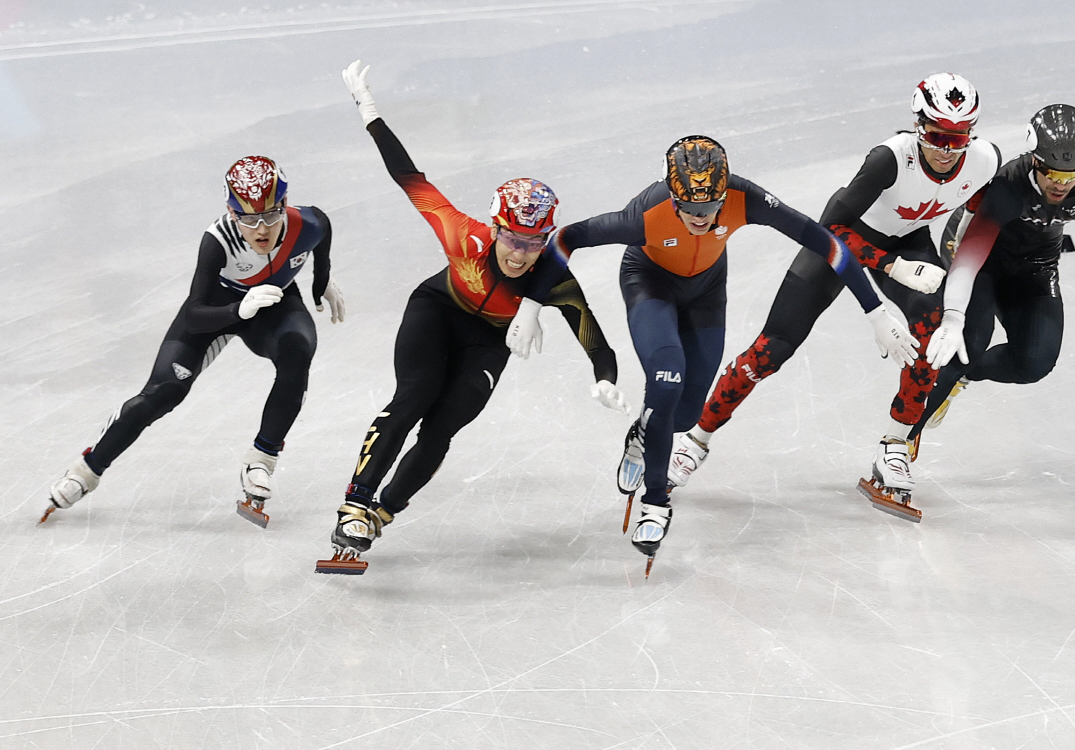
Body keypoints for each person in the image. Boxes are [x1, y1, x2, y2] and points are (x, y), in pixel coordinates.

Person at [506, 135, 917, 567]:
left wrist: (876, 312)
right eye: (689, 210)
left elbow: (827, 242)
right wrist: (531, 306)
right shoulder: (644, 214)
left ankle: (644, 435)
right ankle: (655, 506)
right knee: (667, 381)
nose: (700, 219)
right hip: (650, 284)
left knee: (684, 417)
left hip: (706, 292)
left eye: (709, 209)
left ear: (724, 194)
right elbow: (566, 239)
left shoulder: (746, 198)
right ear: (673, 197)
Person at [318, 61, 625, 573]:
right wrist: (369, 112)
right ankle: (356, 503)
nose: (519, 254)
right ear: (494, 228)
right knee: (413, 397)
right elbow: (409, 178)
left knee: (442, 428)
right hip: (437, 311)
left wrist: (605, 380)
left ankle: (382, 514)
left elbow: (596, 341)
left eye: (533, 242)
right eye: (511, 237)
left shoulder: (553, 278)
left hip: (487, 341)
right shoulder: (464, 236)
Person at [659, 74, 1001, 521]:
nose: (946, 150)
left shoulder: (985, 161)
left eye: (957, 139)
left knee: (930, 325)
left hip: (906, 240)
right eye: (937, 136)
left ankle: (895, 446)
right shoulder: (888, 160)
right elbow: (830, 232)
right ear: (918, 126)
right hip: (841, 242)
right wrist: (893, 269)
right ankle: (694, 440)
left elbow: (982, 214)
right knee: (772, 349)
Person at [42, 156, 344, 527]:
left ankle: (262, 459)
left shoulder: (311, 222)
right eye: (248, 219)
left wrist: (320, 283)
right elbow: (194, 314)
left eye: (270, 215)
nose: (261, 229)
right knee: (163, 392)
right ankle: (87, 470)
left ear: (284, 204)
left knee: (298, 351)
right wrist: (239, 310)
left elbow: (321, 249)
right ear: (232, 213)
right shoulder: (218, 241)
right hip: (217, 310)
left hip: (273, 305)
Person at [918, 103, 1075, 458]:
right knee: (967, 343)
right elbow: (967, 262)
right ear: (1034, 160)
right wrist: (953, 318)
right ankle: (900, 442)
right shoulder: (1009, 186)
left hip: (1036, 263)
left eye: (1072, 175)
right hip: (979, 259)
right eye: (1052, 173)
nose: (1060, 184)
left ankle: (963, 378)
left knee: (1033, 363)